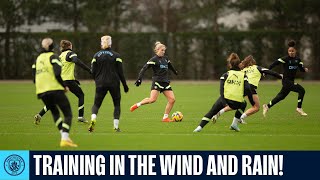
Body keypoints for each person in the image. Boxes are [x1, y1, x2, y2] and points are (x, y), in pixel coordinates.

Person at [32, 37, 77, 147]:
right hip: (55, 89)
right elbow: (57, 73)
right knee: (68, 114)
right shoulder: (54, 57)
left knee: (55, 113)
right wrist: (64, 86)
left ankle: (64, 137)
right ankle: (65, 138)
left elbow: (34, 77)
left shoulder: (37, 59)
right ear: (52, 46)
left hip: (41, 91)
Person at [193, 53, 254, 132]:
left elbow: (221, 90)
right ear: (238, 64)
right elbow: (248, 89)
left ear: (230, 65)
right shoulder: (243, 75)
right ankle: (234, 124)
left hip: (225, 99)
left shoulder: (225, 75)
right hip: (237, 101)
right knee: (244, 104)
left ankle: (199, 128)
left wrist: (224, 101)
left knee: (211, 112)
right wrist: (250, 100)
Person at [34, 40, 91, 124]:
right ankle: (80, 117)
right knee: (81, 95)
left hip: (60, 81)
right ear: (69, 46)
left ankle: (40, 115)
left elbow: (63, 69)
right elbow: (76, 60)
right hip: (68, 81)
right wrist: (89, 70)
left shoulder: (60, 56)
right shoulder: (70, 53)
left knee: (53, 101)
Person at [212, 55, 282, 122]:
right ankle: (240, 117)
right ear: (252, 62)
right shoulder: (257, 67)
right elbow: (270, 72)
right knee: (256, 107)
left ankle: (223, 114)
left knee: (235, 103)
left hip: (241, 87)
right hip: (250, 87)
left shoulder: (243, 69)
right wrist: (280, 76)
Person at [88, 35, 129, 132]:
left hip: (100, 83)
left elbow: (92, 72)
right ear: (111, 43)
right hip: (114, 83)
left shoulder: (96, 55)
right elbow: (120, 72)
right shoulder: (116, 56)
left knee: (96, 104)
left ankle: (93, 118)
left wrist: (97, 80)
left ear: (101, 43)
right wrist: (125, 85)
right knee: (116, 105)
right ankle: (115, 126)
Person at [130, 41, 178, 122]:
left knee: (172, 100)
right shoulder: (154, 59)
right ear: (157, 50)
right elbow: (144, 68)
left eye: (164, 50)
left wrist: (174, 71)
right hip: (157, 82)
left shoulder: (166, 58)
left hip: (165, 82)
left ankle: (165, 118)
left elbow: (170, 65)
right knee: (152, 100)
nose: (163, 52)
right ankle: (138, 104)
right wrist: (139, 78)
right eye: (162, 50)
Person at [263, 40, 309, 117]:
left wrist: (304, 69)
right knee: (301, 90)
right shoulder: (285, 59)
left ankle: (267, 106)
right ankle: (299, 108)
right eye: (289, 51)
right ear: (288, 51)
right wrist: (266, 71)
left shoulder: (298, 60)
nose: (291, 52)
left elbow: (301, 69)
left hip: (290, 81)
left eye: (292, 51)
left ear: (295, 51)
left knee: (281, 96)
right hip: (286, 81)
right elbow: (274, 63)